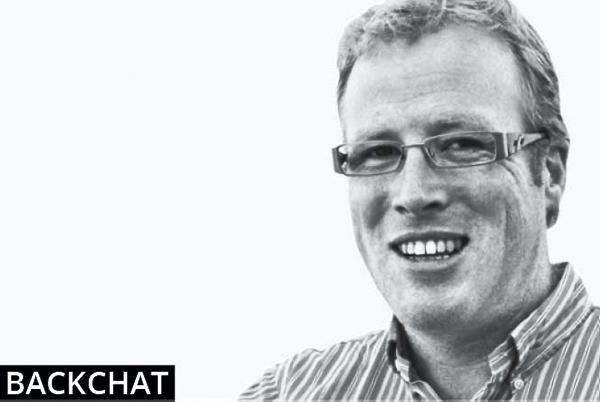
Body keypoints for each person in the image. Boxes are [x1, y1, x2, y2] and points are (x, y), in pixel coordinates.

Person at [240, 0, 600, 399]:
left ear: (550, 173)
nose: (414, 194)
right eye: (377, 153)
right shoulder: (288, 393)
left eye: (461, 145)